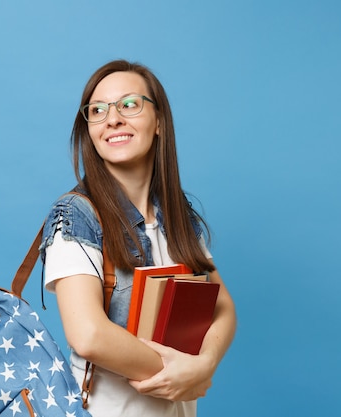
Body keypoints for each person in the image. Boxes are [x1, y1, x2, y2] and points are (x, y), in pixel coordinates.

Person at [39, 59, 236, 417]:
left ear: (159, 122)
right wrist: (178, 374)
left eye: (129, 104)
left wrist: (204, 365)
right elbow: (88, 335)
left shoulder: (178, 215)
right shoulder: (77, 214)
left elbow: (223, 307)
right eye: (97, 110)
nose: (112, 118)